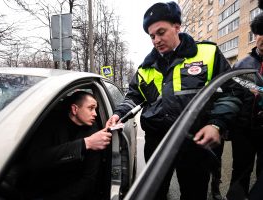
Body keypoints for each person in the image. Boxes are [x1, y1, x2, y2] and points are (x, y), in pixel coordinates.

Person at [108, 2, 242, 200]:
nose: (156, 40)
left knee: (194, 193)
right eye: (152, 36)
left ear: (177, 27)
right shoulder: (146, 68)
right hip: (157, 143)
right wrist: (119, 113)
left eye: (161, 32)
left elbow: (233, 92)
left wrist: (216, 124)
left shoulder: (207, 54)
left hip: (194, 142)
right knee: (155, 193)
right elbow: (134, 96)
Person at [19, 91, 112, 200]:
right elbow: (35, 160)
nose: (95, 114)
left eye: (95, 109)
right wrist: (85, 144)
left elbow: (89, 179)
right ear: (74, 109)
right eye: (91, 108)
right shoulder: (50, 125)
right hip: (40, 188)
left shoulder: (95, 133)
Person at [226, 12, 263, 200]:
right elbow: (230, 96)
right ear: (255, 35)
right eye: (261, 32)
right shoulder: (242, 65)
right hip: (244, 132)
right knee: (240, 172)